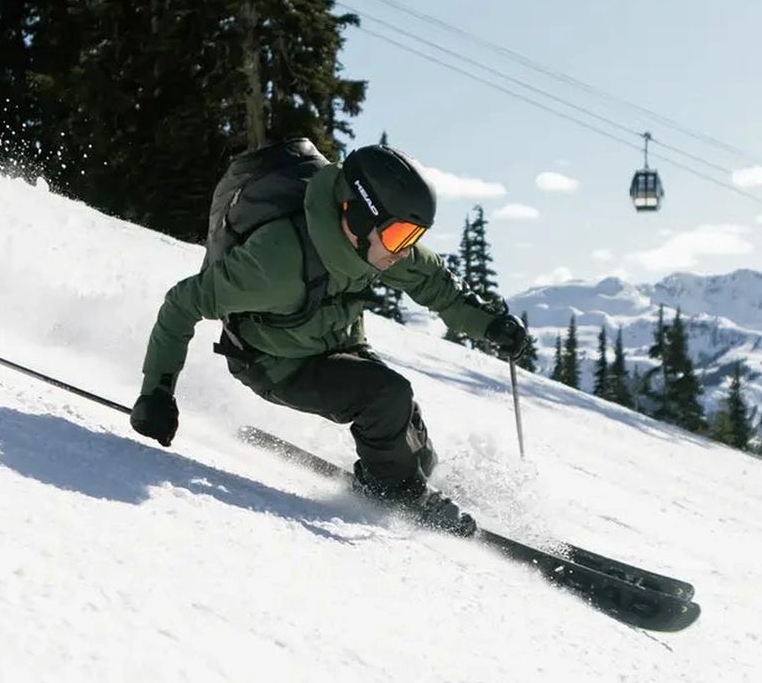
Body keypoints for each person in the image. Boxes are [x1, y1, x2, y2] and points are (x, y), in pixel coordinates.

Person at [129, 141, 529, 535]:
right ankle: (398, 492)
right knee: (386, 397)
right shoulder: (276, 265)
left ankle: (411, 476)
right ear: (358, 217)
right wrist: (156, 393)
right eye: (399, 236)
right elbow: (182, 303)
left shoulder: (373, 245)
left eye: (412, 236)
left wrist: (490, 324)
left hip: (335, 342)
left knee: (407, 430)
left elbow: (435, 282)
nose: (403, 250)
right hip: (277, 363)